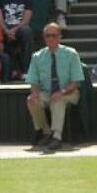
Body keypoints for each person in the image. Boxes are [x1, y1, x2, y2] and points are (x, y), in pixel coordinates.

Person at [26, 22, 84, 150]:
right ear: (44, 37)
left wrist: (62, 92)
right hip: (47, 92)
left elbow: (76, 82)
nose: (51, 38)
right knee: (32, 100)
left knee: (58, 100)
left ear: (60, 37)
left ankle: (57, 137)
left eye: (54, 35)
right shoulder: (37, 56)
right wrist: (34, 93)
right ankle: (46, 132)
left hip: (69, 92)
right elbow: (34, 81)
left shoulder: (71, 54)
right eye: (48, 35)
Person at [0, 0, 33, 78]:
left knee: (26, 31)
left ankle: (26, 70)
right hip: (5, 28)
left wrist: (14, 30)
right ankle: (9, 71)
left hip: (20, 27)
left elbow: (27, 18)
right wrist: (6, 30)